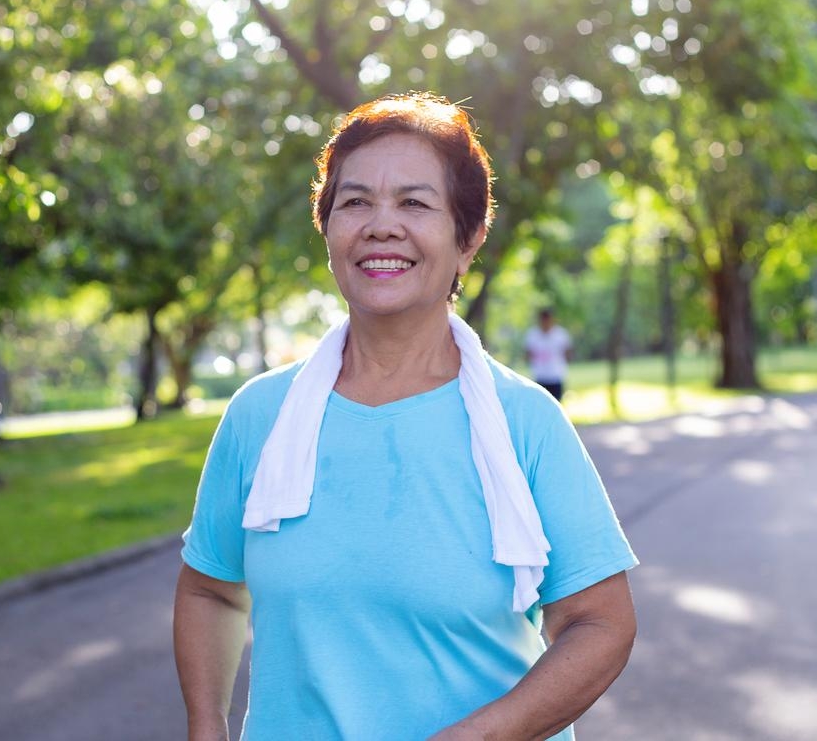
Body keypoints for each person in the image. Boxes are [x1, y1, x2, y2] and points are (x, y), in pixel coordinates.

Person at [173, 92, 638, 741]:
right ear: (328, 226)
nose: (380, 225)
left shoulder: (526, 422)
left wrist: (487, 733)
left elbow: (601, 620)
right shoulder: (260, 415)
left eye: (414, 203)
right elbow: (211, 590)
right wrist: (205, 725)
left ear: (468, 237)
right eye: (355, 201)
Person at [524, 308, 573, 401]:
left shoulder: (560, 334)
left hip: (556, 376)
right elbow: (528, 354)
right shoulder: (533, 335)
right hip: (540, 376)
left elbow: (568, 353)